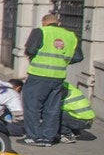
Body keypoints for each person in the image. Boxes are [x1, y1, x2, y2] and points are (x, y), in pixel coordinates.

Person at [21, 14, 83, 147]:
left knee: (32, 106)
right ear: (58, 22)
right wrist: (61, 61)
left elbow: (30, 49)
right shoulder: (70, 35)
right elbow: (78, 57)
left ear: (44, 22)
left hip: (38, 75)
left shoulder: (41, 31)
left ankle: (33, 137)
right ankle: (47, 138)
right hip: (58, 77)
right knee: (52, 108)